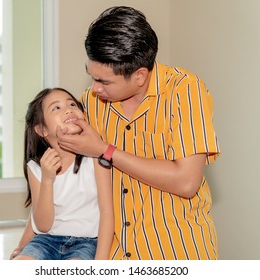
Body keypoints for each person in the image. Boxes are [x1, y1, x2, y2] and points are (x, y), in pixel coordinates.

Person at [56, 6, 221, 260]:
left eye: (104, 82)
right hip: (115, 255)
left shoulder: (185, 90)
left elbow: (187, 182)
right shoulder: (91, 102)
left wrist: (104, 150)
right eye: (92, 77)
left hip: (178, 251)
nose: (94, 88)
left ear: (140, 76)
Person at [10, 87, 114, 260]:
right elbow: (42, 225)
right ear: (42, 130)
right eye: (56, 108)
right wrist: (47, 180)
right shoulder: (36, 168)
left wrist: (100, 264)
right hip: (45, 241)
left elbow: (107, 213)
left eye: (72, 104)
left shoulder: (96, 159)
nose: (68, 109)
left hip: (86, 243)